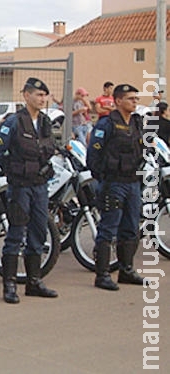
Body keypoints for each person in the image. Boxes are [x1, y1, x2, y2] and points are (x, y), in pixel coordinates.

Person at [0, 77, 58, 304]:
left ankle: (34, 281)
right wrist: (13, 169)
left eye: (44, 95)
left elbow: (49, 148)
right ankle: (9, 285)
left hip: (40, 185)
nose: (42, 99)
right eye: (38, 95)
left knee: (38, 231)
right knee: (16, 233)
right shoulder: (15, 122)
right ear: (26, 95)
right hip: (20, 186)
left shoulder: (46, 121)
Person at [87, 84, 147, 291]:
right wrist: (102, 178)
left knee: (131, 227)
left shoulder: (137, 123)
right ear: (118, 101)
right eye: (130, 99)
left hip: (132, 183)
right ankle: (102, 275)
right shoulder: (107, 124)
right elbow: (93, 154)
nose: (135, 102)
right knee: (108, 228)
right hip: (113, 183)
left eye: (136, 99)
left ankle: (126, 270)